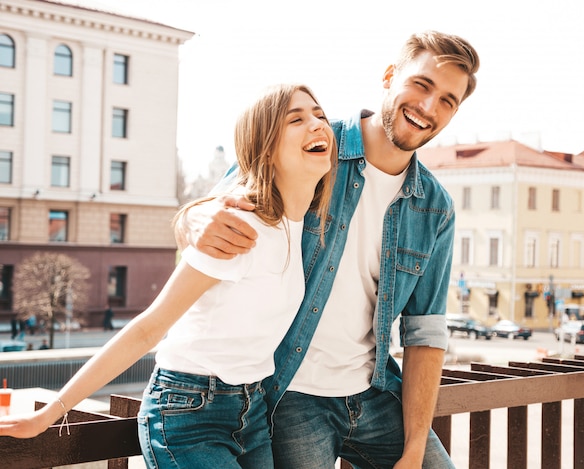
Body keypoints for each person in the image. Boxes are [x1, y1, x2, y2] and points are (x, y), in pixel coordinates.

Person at [179, 30, 480, 468]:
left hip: (375, 394)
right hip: (292, 393)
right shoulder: (315, 141)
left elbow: (425, 334)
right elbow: (216, 209)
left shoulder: (434, 208)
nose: (429, 108)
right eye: (422, 85)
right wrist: (192, 220)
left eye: (448, 101)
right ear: (390, 76)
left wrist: (415, 448)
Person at [0, 83, 336, 469]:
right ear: (266, 148)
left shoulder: (301, 227)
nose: (317, 125)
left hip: (253, 413)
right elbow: (150, 327)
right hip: (189, 411)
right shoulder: (239, 227)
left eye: (320, 115)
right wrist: (50, 413)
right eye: (297, 118)